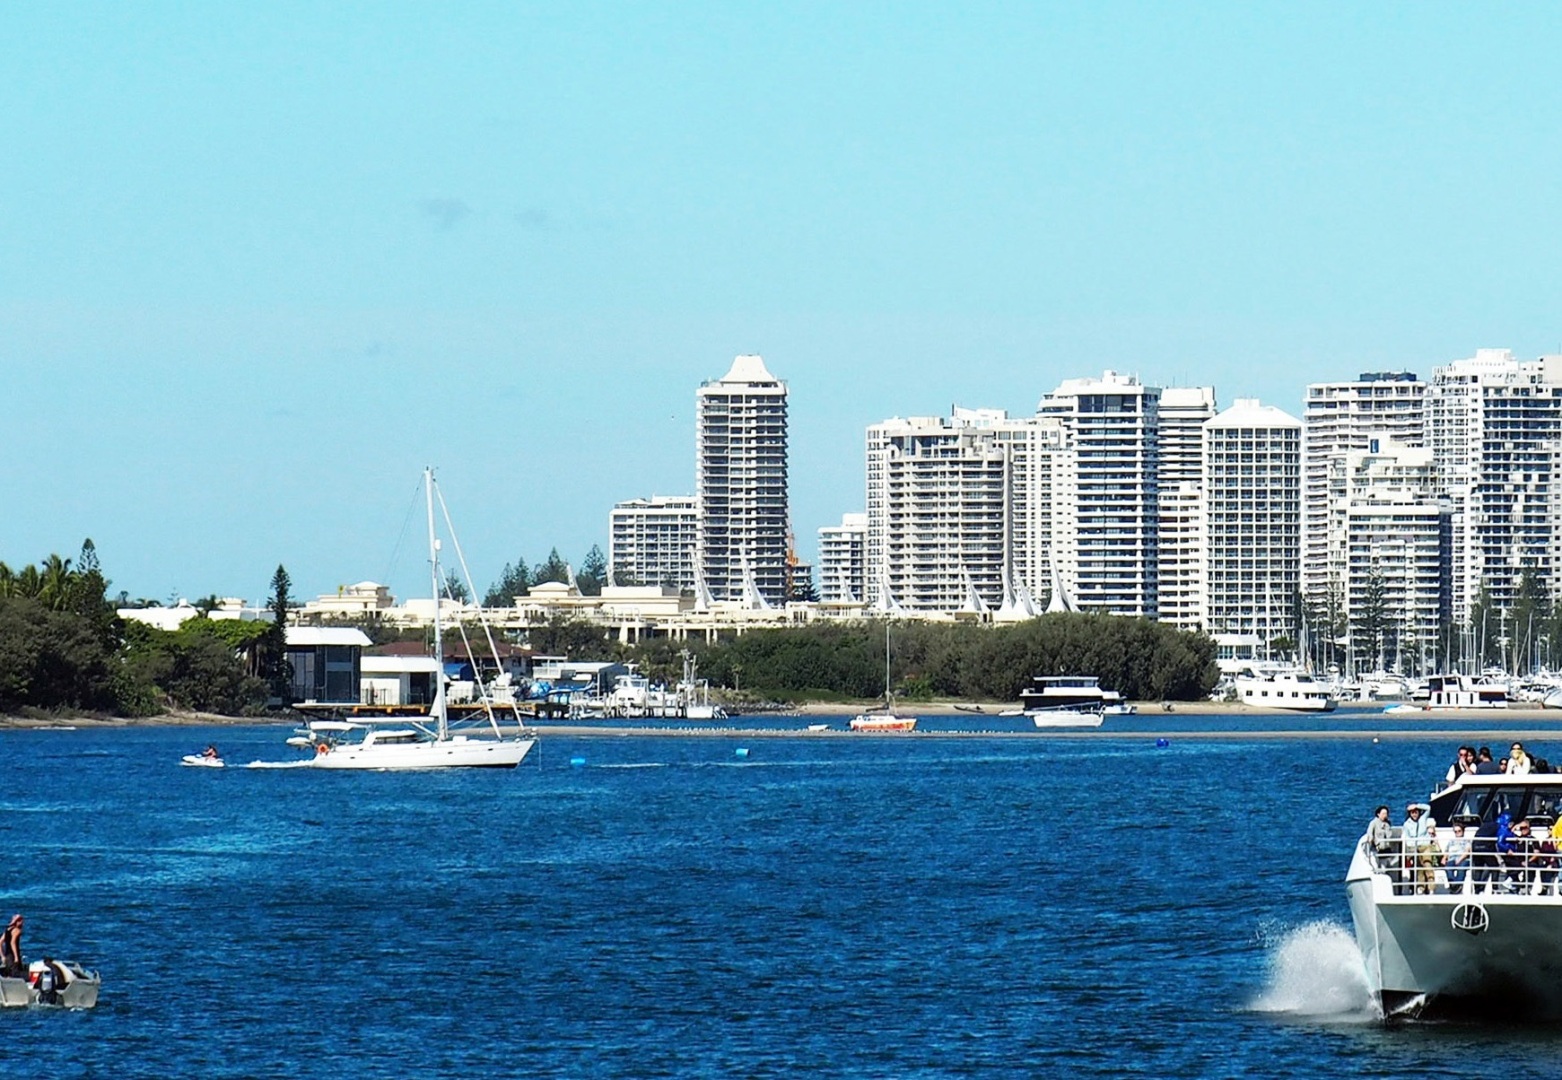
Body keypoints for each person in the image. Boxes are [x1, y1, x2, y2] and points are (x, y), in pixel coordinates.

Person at [1402, 803, 1434, 894]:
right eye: (1412, 813)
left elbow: (1428, 808)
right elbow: (1408, 838)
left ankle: (1431, 887)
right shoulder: (1407, 824)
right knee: (1419, 869)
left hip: (1425, 846)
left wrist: (1416, 805)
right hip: (1415, 848)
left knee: (1428, 865)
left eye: (1416, 812)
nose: (1414, 814)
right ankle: (1421, 888)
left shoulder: (1423, 819)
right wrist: (1411, 850)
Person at [1443, 822, 1473, 892]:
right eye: (1455, 831)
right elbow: (1447, 850)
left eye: (1459, 831)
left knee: (1461, 868)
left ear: (1463, 831)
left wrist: (1460, 859)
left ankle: (1456, 886)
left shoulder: (1466, 840)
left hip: (1464, 859)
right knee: (1448, 868)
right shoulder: (1451, 841)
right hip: (1452, 858)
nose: (1457, 833)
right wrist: (1444, 858)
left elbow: (1467, 851)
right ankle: (1455, 885)